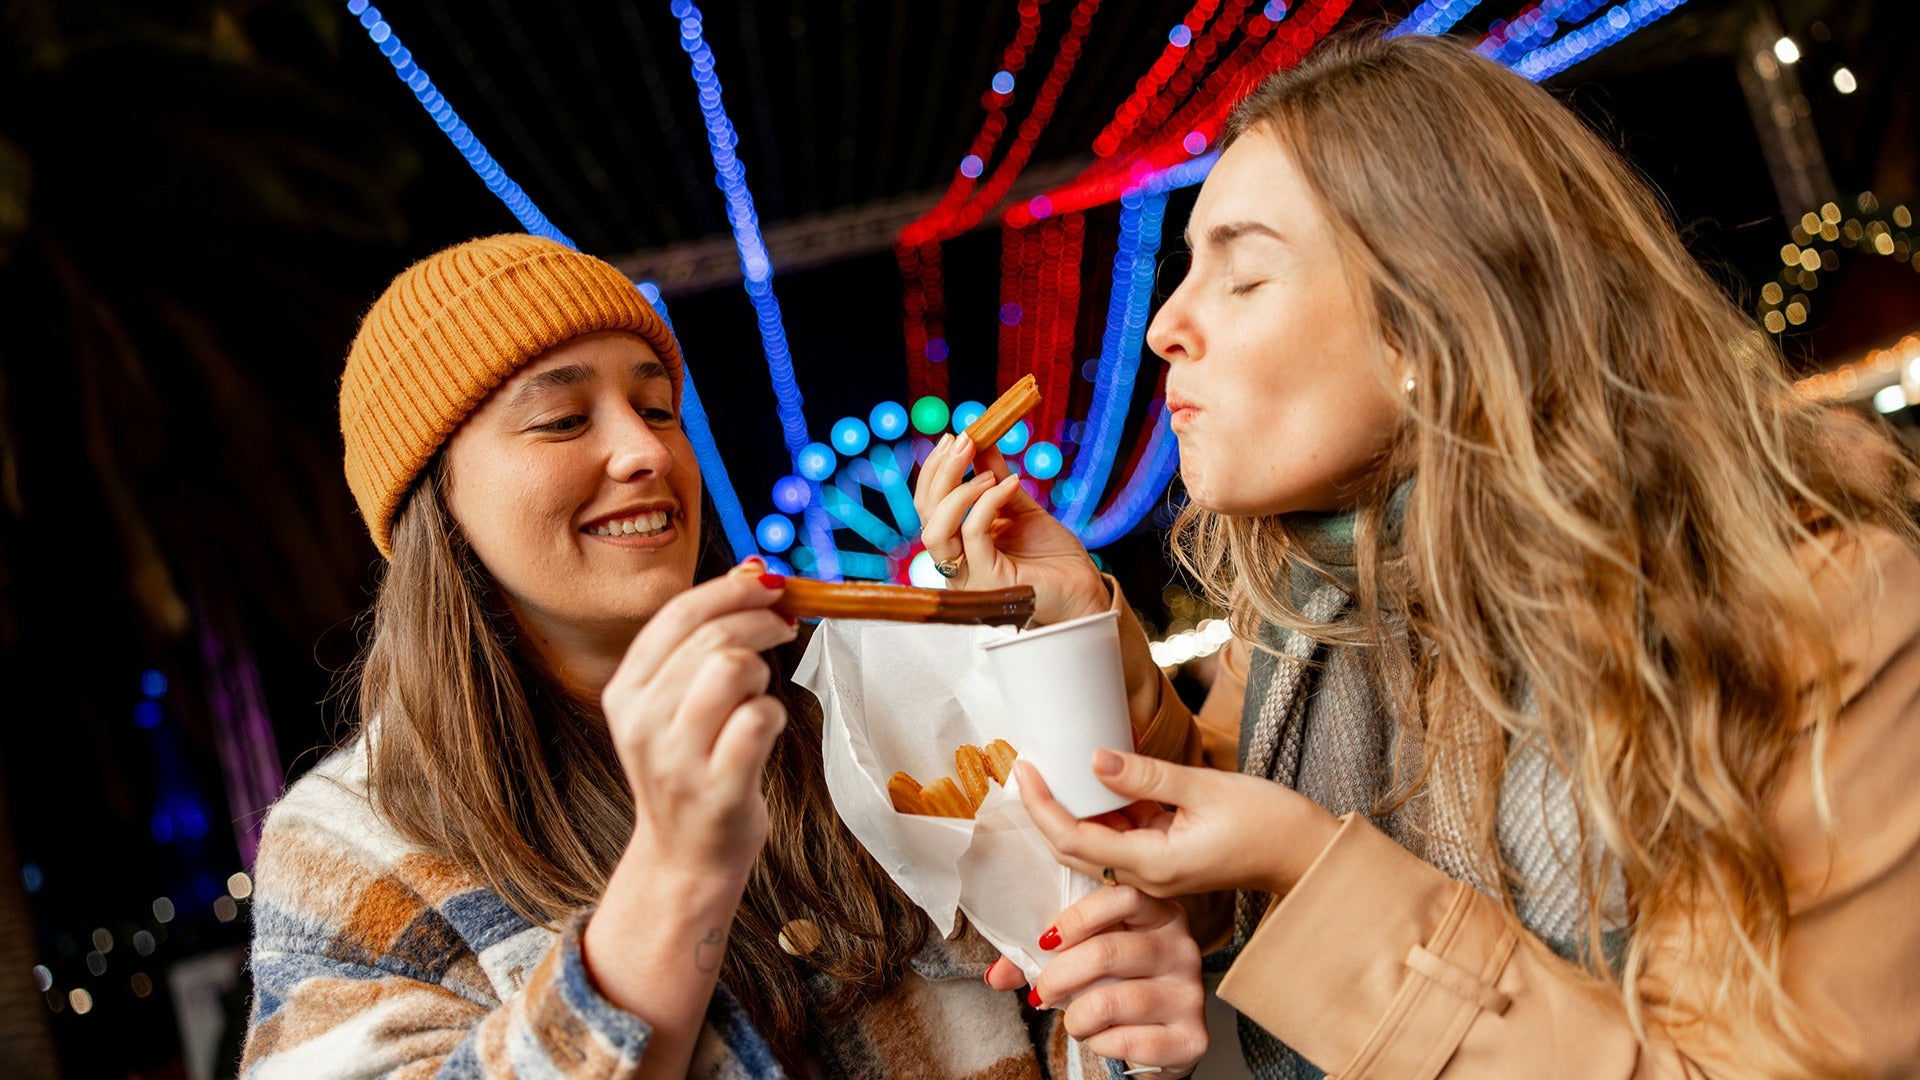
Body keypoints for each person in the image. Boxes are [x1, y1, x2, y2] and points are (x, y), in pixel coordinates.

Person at [916, 31, 1920, 1079]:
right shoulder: (1310, 607)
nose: (1166, 325)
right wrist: (1077, 618)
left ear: (1433, 328)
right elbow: (1213, 870)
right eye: (1182, 275)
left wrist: (1311, 871)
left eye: (1245, 277)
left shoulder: (1819, 609)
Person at [237, 234, 1212, 1079]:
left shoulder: (861, 697)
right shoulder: (350, 843)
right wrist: (674, 870)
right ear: (434, 505)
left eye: (657, 408)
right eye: (564, 418)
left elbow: (1072, 990)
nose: (646, 452)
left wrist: (1125, 1029)